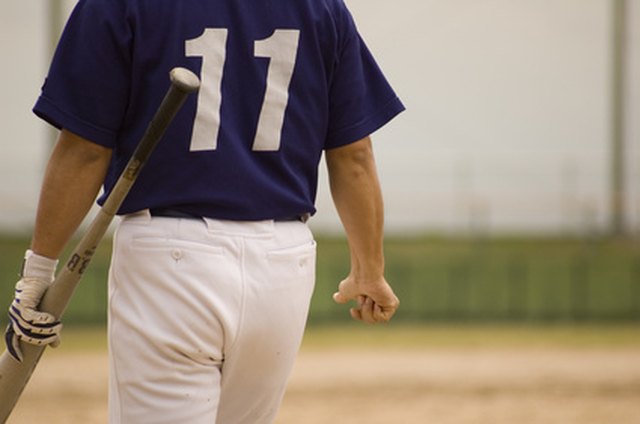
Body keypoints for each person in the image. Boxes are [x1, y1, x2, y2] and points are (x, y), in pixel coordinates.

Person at [6, 0, 404, 422]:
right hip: (284, 263)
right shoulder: (322, 7)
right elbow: (354, 154)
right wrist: (368, 269)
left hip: (170, 258)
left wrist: (39, 271)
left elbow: (85, 150)